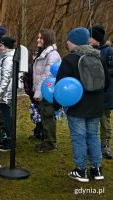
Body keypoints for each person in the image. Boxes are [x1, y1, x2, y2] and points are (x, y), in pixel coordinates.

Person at [54, 27, 109, 182]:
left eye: (69, 41)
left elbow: (60, 86)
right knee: (93, 136)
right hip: (96, 106)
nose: (67, 43)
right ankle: (97, 169)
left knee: (78, 138)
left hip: (77, 107)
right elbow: (106, 84)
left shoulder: (69, 60)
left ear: (74, 42)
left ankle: (81, 170)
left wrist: (56, 106)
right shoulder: (98, 58)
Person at [32, 29, 61, 152]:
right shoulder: (42, 52)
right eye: (38, 37)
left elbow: (46, 76)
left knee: (48, 117)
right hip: (42, 91)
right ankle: (47, 141)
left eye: (41, 38)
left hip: (47, 93)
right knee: (45, 117)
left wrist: (38, 93)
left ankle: (49, 144)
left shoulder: (52, 55)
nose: (38, 40)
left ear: (47, 39)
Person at [89, 24, 113, 159]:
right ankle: (92, 146)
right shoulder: (88, 50)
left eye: (90, 36)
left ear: (97, 38)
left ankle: (105, 146)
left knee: (105, 122)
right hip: (92, 93)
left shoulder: (109, 51)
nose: (88, 39)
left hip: (105, 94)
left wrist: (99, 70)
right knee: (91, 121)